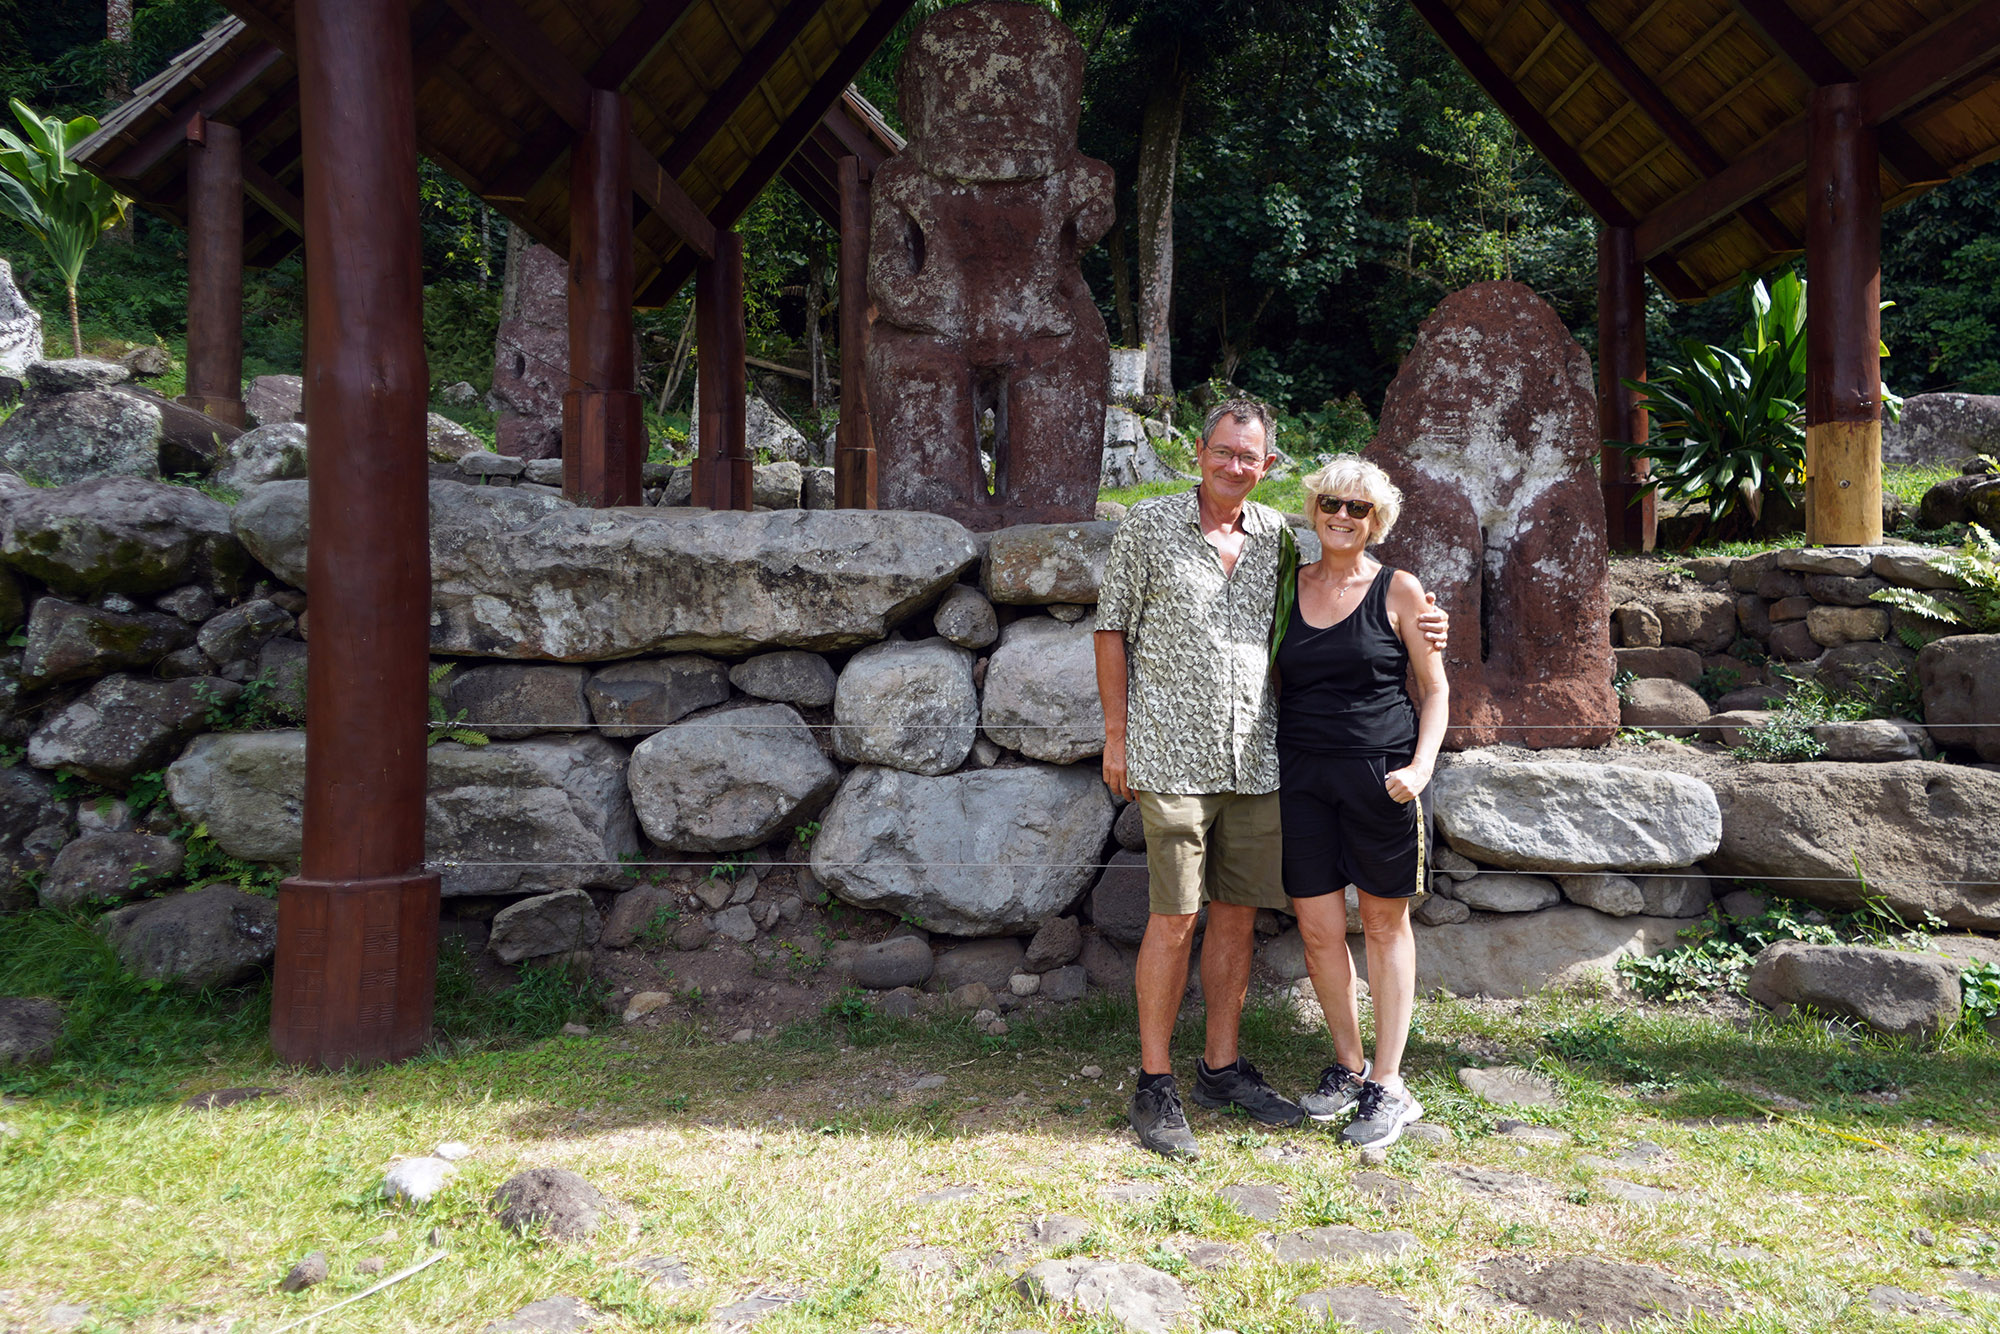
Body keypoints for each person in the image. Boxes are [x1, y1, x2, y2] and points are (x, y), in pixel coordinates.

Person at [1094, 402, 1447, 1159]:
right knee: (1174, 917)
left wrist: (1429, 623)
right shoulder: (1149, 529)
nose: (1233, 466)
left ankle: (1222, 1066)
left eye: (1248, 457)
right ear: (1200, 451)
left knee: (1236, 916)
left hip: (1257, 764)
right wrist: (1116, 735)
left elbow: (1377, 618)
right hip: (1174, 757)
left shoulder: (1278, 545)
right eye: (1222, 452)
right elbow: (1111, 628)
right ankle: (1155, 1083)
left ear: (1268, 466)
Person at [1274, 456, 1448, 1149]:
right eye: (1331, 505)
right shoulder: (1287, 586)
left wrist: (1421, 766)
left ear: (1378, 520)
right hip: (1302, 774)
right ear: (1313, 509)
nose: (1343, 517)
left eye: (1359, 509)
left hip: (1381, 775)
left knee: (1383, 926)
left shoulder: (1401, 590)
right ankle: (1348, 1066)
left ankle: (1389, 1083)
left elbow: (1434, 690)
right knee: (1318, 929)